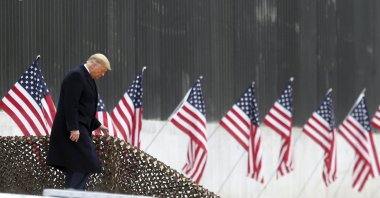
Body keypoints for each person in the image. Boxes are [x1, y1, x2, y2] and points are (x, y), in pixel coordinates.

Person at [47, 53, 111, 190]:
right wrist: (73, 128)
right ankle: (73, 192)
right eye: (103, 70)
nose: (103, 74)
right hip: (72, 130)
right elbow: (70, 104)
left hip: (79, 127)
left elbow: (84, 108)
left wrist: (98, 125)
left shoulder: (88, 78)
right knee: (86, 161)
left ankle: (73, 192)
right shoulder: (76, 75)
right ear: (94, 65)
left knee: (78, 164)